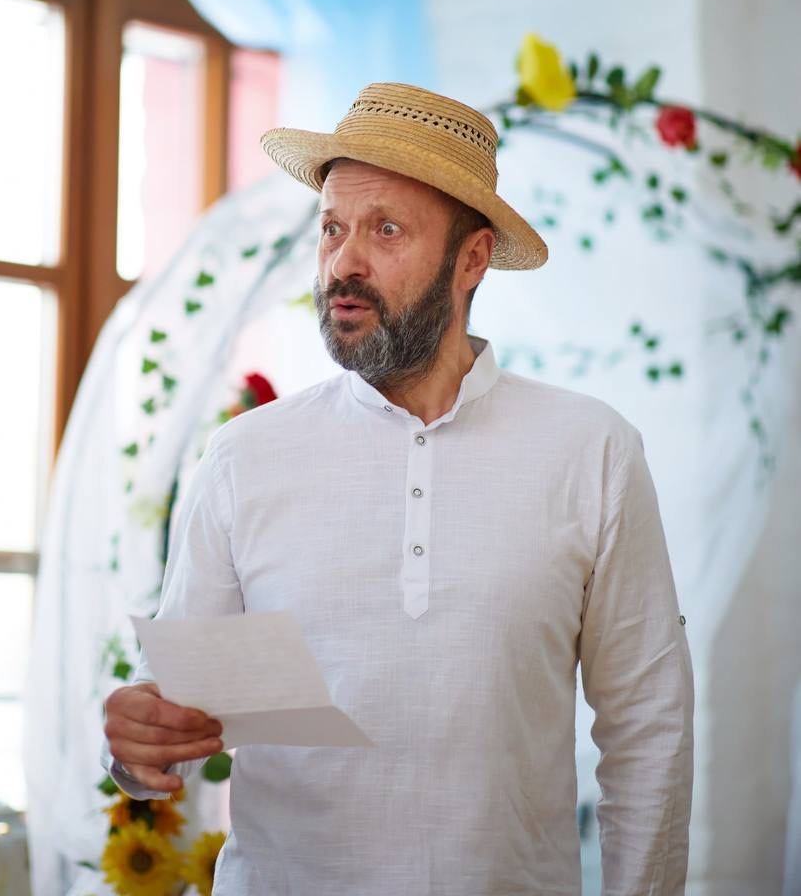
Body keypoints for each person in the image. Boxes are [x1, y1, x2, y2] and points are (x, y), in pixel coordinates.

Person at [102, 82, 694, 895]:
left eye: (385, 230)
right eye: (332, 228)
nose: (344, 262)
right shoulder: (245, 456)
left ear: (472, 259)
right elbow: (172, 713)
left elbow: (648, 728)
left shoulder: (590, 451)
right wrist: (134, 744)